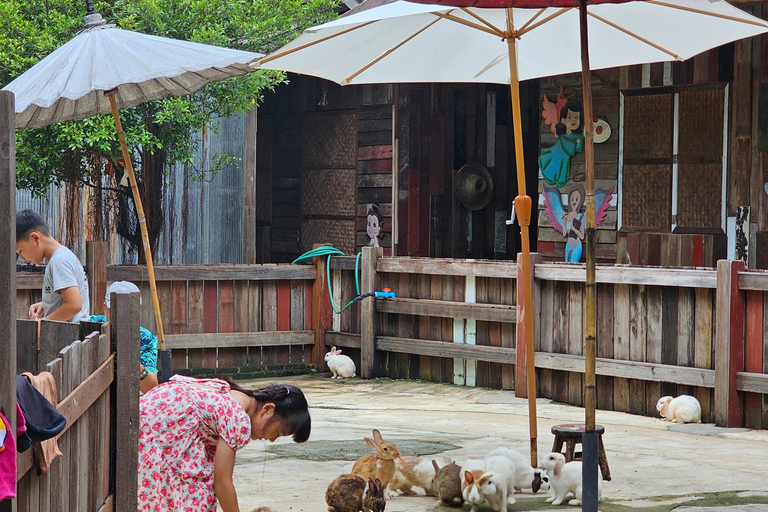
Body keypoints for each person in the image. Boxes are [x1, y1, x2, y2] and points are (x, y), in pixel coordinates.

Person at [137, 377, 311, 512]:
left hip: (149, 421)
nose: (271, 439)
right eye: (277, 432)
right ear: (267, 409)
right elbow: (222, 483)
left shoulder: (233, 392)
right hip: (156, 436)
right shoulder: (238, 419)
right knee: (196, 497)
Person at [16, 209, 90, 323]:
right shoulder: (63, 256)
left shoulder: (59, 261)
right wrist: (46, 305)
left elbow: (74, 305)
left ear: (35, 238)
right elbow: (68, 299)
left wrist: (42, 323)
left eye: (20, 251)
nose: (22, 258)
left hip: (69, 337)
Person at [89, 281, 159, 394]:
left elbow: (151, 389)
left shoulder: (146, 338)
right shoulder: (90, 325)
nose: (122, 315)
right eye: (116, 309)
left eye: (128, 310)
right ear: (105, 308)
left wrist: (137, 368)